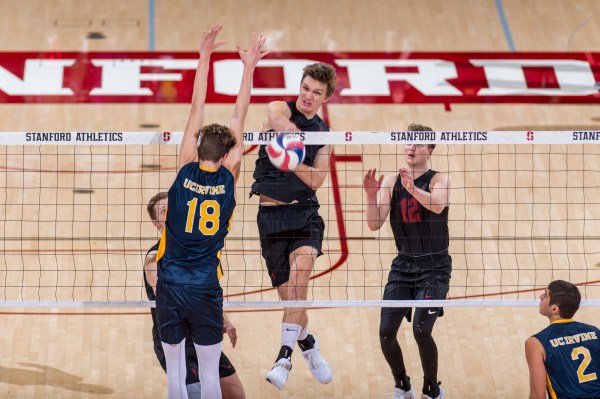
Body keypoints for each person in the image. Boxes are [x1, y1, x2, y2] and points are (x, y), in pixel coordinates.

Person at [155, 25, 268, 399]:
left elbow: (196, 107)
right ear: (226, 156)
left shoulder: (185, 163)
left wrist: (204, 57)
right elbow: (240, 118)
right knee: (207, 376)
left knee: (175, 375)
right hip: (206, 287)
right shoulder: (230, 176)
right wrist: (248, 68)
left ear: (199, 145)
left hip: (170, 283)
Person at [250, 62, 337, 390]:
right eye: (305, 88)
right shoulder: (278, 108)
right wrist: (288, 136)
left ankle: (283, 357)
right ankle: (308, 344)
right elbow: (275, 119)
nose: (308, 96)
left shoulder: (325, 134)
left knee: (300, 281)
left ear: (325, 98)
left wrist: (291, 159)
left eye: (316, 93)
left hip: (304, 217)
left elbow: (316, 180)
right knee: (292, 300)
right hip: (270, 220)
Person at [363, 123, 451, 399]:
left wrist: (412, 187)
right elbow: (374, 224)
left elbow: (437, 205)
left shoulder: (439, 180)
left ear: (430, 150)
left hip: (434, 267)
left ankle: (432, 388)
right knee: (386, 333)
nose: (411, 147)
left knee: (421, 331)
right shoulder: (391, 181)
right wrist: (369, 196)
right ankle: (402, 383)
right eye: (408, 142)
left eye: (418, 144)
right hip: (403, 266)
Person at [144, 192, 246, 399]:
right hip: (176, 338)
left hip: (201, 333)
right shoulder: (154, 257)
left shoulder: (198, 251)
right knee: (196, 394)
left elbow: (207, 291)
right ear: (156, 223)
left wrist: (223, 319)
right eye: (164, 211)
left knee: (235, 393)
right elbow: (165, 295)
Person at [525, 280, 600, 399]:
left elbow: (537, 395)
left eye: (545, 295)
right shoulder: (596, 332)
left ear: (554, 309)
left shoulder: (536, 343)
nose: (540, 297)